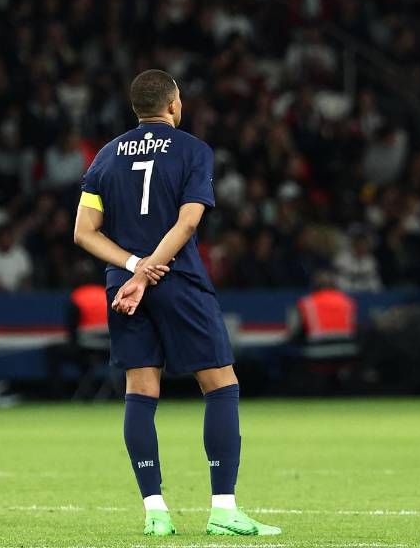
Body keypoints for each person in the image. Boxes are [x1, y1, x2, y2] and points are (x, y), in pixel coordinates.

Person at [72, 69, 280, 537]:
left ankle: (156, 513)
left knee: (141, 389)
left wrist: (133, 267)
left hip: (123, 285)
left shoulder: (106, 155)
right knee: (220, 384)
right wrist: (150, 269)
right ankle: (223, 511)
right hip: (177, 278)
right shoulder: (193, 150)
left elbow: (84, 233)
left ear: (136, 109)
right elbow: (187, 223)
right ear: (173, 104)